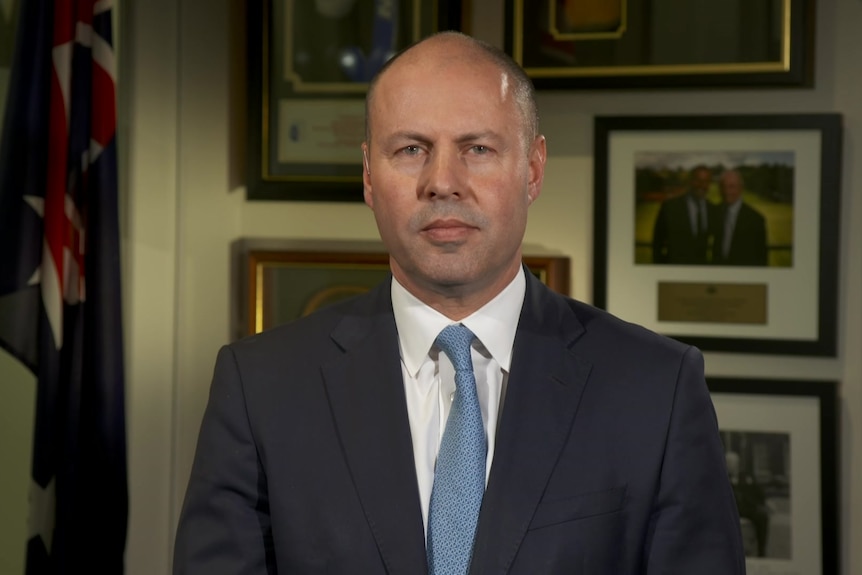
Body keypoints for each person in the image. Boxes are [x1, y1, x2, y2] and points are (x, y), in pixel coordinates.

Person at [173, 32, 745, 574]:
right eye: (411, 149)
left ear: (533, 168)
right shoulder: (261, 387)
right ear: (369, 175)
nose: (442, 182)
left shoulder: (657, 388)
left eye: (477, 148)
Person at [651, 164, 716, 264]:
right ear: (690, 181)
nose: (702, 185)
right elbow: (657, 243)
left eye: (706, 181)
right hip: (674, 272)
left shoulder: (712, 209)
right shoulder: (670, 207)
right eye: (698, 180)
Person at [712, 169, 769, 266]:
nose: (727, 191)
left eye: (731, 187)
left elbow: (762, 259)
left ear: (741, 188)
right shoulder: (714, 212)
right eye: (723, 187)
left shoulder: (756, 219)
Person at [726, 451, 771, 557]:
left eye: (731, 462)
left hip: (748, 509)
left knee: (762, 516)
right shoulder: (721, 477)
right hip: (730, 510)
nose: (728, 465)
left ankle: (761, 551)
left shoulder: (746, 477)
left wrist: (766, 501)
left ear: (737, 464)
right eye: (727, 462)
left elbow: (758, 491)